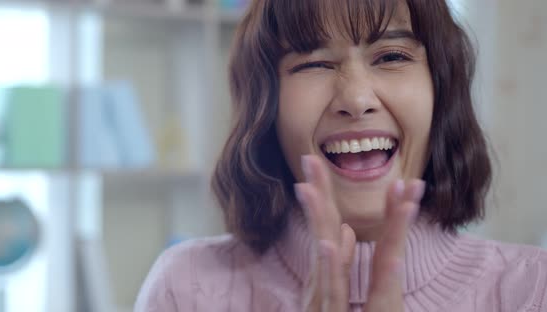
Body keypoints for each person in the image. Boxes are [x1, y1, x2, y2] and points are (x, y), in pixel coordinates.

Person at [135, 0, 547, 311]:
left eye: (391, 57)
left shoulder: (532, 290)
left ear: (441, 91)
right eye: (314, 63)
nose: (356, 98)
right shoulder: (185, 288)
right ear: (267, 108)